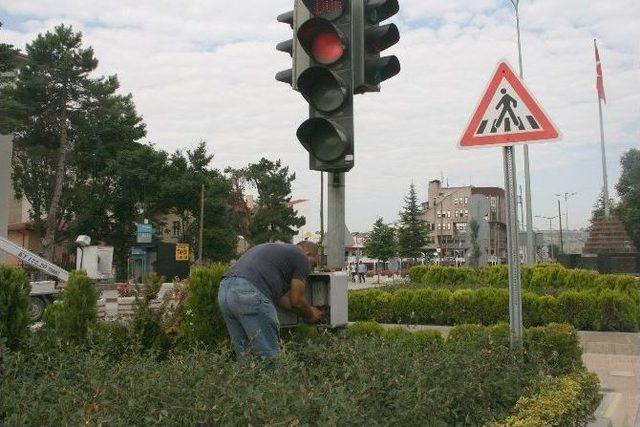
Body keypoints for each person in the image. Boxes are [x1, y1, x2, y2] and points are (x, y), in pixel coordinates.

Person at [217, 241, 324, 361]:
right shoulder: (301, 257)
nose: (311, 270)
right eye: (314, 264)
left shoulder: (273, 251)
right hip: (250, 291)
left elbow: (280, 300)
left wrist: (304, 310)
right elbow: (297, 301)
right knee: (270, 360)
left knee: (245, 358)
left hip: (225, 291)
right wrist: (311, 314)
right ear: (308, 254)